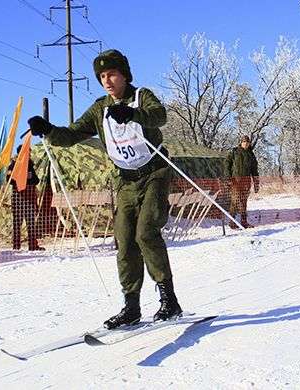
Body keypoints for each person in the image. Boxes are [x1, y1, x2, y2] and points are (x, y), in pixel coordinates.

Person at [28, 49, 182, 329]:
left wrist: (133, 114)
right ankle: (131, 306)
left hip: (154, 173)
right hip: (124, 181)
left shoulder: (140, 96)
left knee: (146, 232)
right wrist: (48, 129)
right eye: (101, 76)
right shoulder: (100, 109)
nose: (106, 81)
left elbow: (159, 116)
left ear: (124, 74)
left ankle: (168, 300)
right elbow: (73, 134)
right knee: (124, 241)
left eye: (111, 74)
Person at [7, 146, 44, 251]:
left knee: (31, 223)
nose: (29, 154)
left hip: (29, 199)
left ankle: (32, 245)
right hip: (18, 198)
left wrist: (29, 178)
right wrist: (21, 177)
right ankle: (16, 246)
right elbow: (9, 180)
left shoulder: (30, 165)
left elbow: (36, 180)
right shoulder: (14, 165)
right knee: (17, 223)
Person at [224, 135, 260, 229]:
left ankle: (244, 222)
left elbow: (254, 169)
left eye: (247, 142)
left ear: (249, 143)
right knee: (235, 201)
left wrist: (256, 183)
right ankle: (232, 222)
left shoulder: (251, 154)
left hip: (246, 181)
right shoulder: (234, 152)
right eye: (244, 142)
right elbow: (227, 163)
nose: (246, 144)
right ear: (241, 142)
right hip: (235, 181)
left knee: (244, 201)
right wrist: (228, 178)